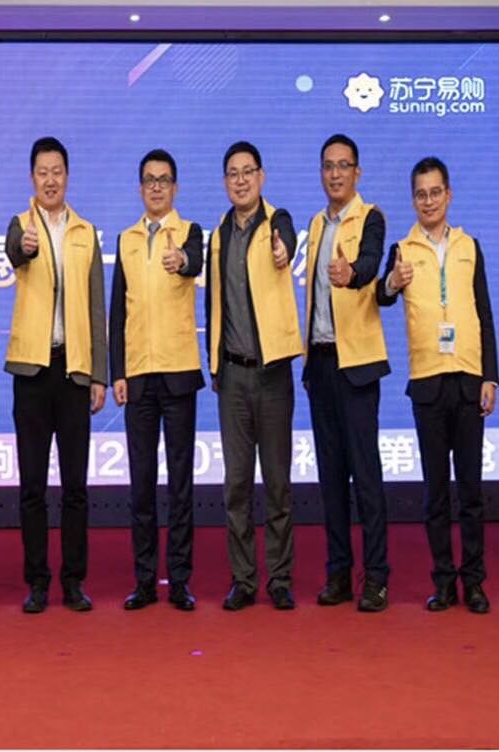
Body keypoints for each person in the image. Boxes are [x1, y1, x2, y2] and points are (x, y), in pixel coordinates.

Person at [377, 156, 498, 614]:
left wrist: (490, 376)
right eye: (420, 194)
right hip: (427, 384)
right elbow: (382, 295)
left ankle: (475, 582)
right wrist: (393, 280)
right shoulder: (402, 248)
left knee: (470, 491)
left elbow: (484, 313)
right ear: (413, 200)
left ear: (449, 195)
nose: (428, 201)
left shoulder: (469, 246)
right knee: (435, 493)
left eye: (435, 192)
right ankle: (443, 582)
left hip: (468, 380)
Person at [4, 137, 107, 613]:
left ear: (67, 176)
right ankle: (38, 581)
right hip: (32, 370)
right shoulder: (20, 225)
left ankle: (73, 580)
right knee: (31, 486)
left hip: (73, 372)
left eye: (57, 171)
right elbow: (15, 251)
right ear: (32, 178)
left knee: (75, 487)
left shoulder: (85, 231)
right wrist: (23, 248)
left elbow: (96, 306)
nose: (50, 180)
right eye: (42, 172)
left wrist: (99, 374)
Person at [205, 141, 302, 611]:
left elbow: (288, 242)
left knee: (278, 483)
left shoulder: (277, 222)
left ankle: (279, 578)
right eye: (233, 173)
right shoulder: (219, 235)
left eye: (248, 172)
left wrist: (284, 249)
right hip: (233, 376)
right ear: (225, 182)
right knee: (237, 485)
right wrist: (214, 363)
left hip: (273, 372)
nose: (240, 180)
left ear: (261, 177)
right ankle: (243, 579)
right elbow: (214, 303)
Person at [109, 149, 203, 611]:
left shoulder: (190, 232)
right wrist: (117, 372)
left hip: (179, 372)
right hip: (140, 377)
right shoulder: (126, 239)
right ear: (140, 187)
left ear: (175, 187)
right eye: (149, 180)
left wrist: (181, 259)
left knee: (180, 484)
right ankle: (145, 579)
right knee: (141, 484)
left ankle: (180, 579)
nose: (157, 187)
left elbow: (195, 262)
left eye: (164, 180)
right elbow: (116, 313)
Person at [303, 133, 391, 612]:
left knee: (366, 476)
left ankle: (376, 577)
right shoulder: (317, 224)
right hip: (320, 363)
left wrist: (352, 273)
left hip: (356, 365)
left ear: (357, 172)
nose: (335, 174)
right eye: (328, 166)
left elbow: (372, 264)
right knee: (331, 477)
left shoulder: (371, 216)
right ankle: (338, 573)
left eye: (343, 165)